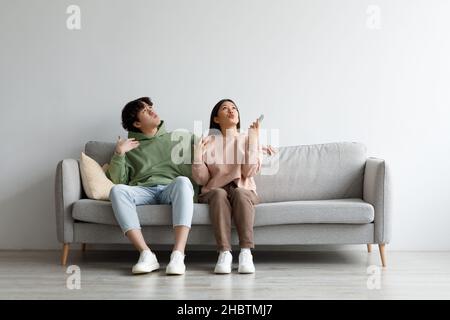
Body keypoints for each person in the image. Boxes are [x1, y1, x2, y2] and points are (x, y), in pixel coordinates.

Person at [106, 97, 196, 275]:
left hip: (171, 188)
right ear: (137, 123)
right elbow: (118, 180)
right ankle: (146, 254)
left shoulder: (181, 138)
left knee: (183, 181)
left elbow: (217, 147)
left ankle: (178, 255)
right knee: (116, 191)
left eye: (150, 107)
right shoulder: (129, 146)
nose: (151, 110)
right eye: (145, 110)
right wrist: (119, 153)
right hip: (143, 190)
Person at [192, 99, 263, 274]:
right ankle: (224, 253)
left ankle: (246, 253)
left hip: (243, 190)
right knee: (217, 194)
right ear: (216, 119)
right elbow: (202, 179)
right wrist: (197, 156)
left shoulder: (248, 138)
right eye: (225, 108)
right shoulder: (208, 141)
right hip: (215, 191)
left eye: (234, 108)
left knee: (240, 192)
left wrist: (253, 141)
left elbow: (249, 171)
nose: (231, 111)